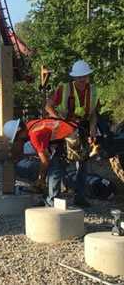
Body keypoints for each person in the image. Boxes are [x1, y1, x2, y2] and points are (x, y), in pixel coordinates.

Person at [45, 59, 99, 207]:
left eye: (84, 76)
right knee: (59, 163)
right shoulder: (64, 89)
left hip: (82, 129)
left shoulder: (93, 90)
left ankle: (80, 198)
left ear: (88, 76)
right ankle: (52, 200)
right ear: (74, 77)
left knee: (83, 164)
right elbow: (48, 107)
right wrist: (61, 122)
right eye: (79, 77)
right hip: (64, 129)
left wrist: (93, 127)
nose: (82, 79)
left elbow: (93, 113)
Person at [3, 118, 78, 206]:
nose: (18, 141)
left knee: (54, 169)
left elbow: (45, 161)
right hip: (70, 133)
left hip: (72, 137)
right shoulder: (31, 124)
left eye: (17, 139)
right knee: (54, 165)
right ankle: (52, 197)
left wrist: (40, 179)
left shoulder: (34, 134)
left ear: (19, 132)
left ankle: (51, 201)